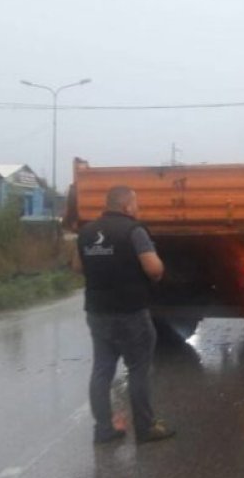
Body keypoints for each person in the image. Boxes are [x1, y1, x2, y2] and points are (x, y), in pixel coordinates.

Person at [73, 185, 176, 445]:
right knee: (139, 369)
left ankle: (104, 429)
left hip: (97, 311)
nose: (137, 208)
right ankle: (145, 427)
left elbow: (76, 267)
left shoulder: (86, 232)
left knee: (102, 370)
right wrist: (161, 268)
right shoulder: (134, 231)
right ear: (127, 206)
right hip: (131, 311)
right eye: (136, 204)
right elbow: (153, 269)